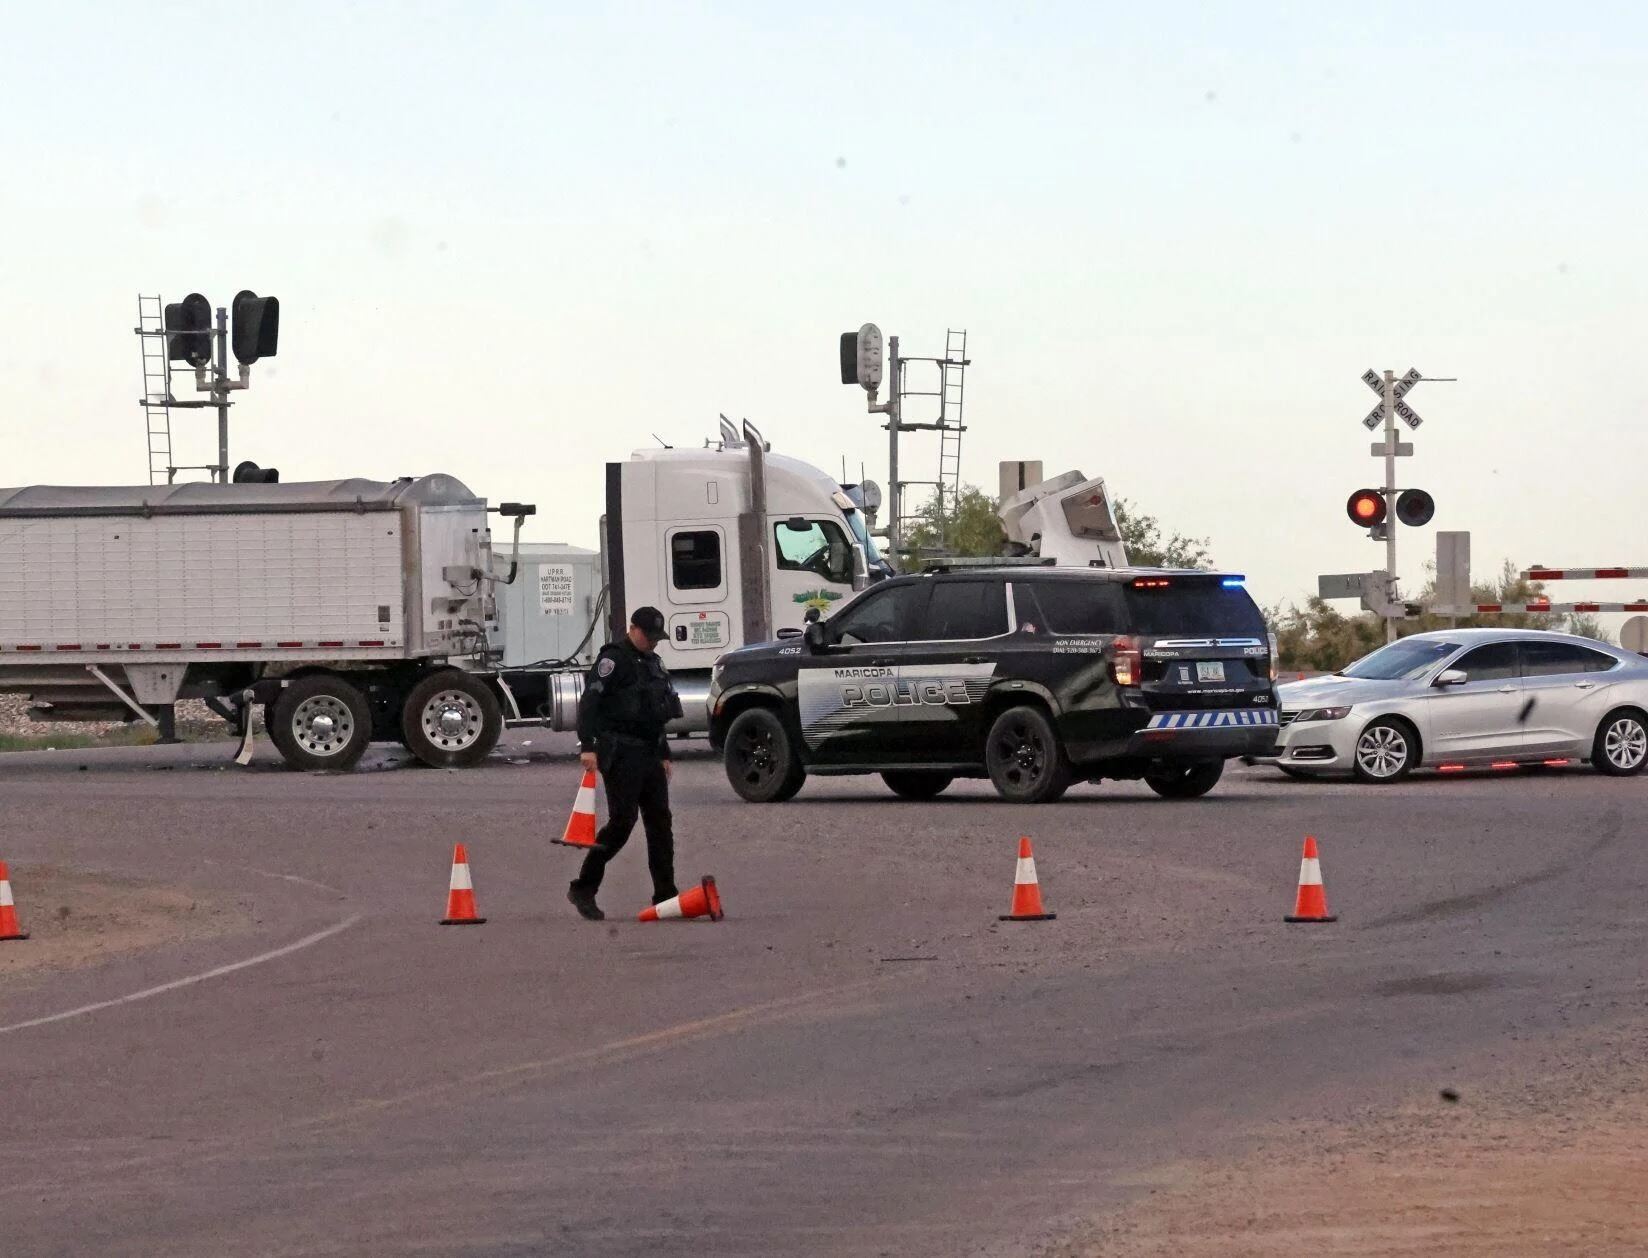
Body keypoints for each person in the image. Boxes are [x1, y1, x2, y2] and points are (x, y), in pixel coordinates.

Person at [567, 606, 683, 921]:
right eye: (649, 636)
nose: (653, 642)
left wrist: (664, 752)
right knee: (622, 822)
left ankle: (666, 896)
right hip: (620, 751)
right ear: (633, 629)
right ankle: (584, 887)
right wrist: (588, 746)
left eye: (657, 637)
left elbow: (656, 711)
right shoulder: (613, 659)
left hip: (648, 751)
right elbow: (590, 703)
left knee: (661, 823)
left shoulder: (653, 662)